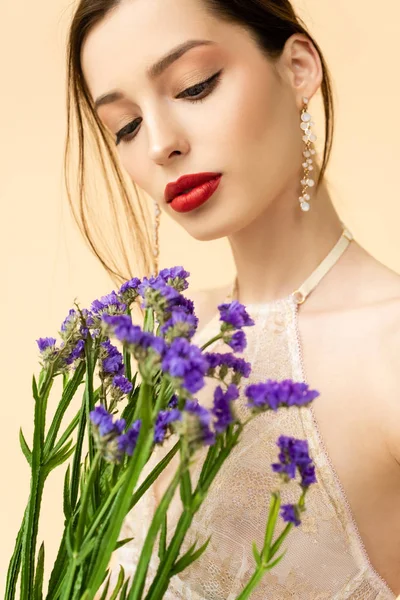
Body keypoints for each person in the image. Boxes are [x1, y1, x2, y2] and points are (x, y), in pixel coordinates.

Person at [65, 0, 400, 596]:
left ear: (298, 68)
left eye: (194, 86)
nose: (160, 145)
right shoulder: (163, 346)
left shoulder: (388, 347)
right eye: (126, 126)